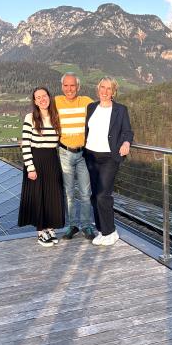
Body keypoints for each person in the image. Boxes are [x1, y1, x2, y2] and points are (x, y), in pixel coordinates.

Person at [84, 77, 134, 246]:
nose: (105, 91)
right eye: (102, 88)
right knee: (94, 196)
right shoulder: (91, 107)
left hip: (109, 158)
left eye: (109, 88)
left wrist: (126, 143)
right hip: (91, 156)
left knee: (102, 195)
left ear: (114, 92)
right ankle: (101, 230)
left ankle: (110, 232)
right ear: (98, 89)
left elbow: (128, 131)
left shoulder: (120, 110)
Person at [18, 87, 65, 247]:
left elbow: (60, 140)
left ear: (49, 97)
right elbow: (26, 144)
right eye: (38, 97)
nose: (42, 99)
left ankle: (50, 228)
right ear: (35, 101)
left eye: (44, 96)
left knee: (52, 195)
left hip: (52, 159)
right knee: (38, 197)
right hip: (36, 160)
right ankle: (40, 232)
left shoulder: (56, 117)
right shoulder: (30, 117)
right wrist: (30, 167)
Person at [55, 73, 96, 240]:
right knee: (69, 193)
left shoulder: (87, 102)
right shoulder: (55, 102)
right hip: (64, 152)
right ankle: (72, 226)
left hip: (83, 153)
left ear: (78, 87)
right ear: (62, 86)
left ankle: (86, 226)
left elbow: (103, 116)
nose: (69, 89)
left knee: (86, 193)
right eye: (66, 85)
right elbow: (40, 117)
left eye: (72, 86)